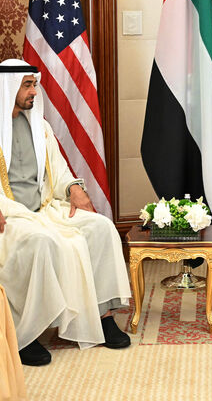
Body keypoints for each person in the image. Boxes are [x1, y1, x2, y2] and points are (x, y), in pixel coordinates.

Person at [0, 59, 131, 366]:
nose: (35, 91)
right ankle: (25, 333)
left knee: (100, 228)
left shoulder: (39, 127)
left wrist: (74, 188)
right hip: (10, 216)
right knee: (40, 242)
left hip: (45, 209)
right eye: (27, 85)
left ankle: (103, 316)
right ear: (8, 89)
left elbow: (56, 173)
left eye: (35, 84)